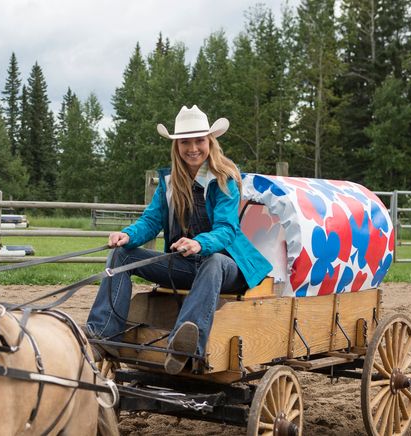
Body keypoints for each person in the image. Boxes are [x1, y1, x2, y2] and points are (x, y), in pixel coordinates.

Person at [85, 105, 272, 374]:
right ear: (177, 146)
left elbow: (226, 230)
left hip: (228, 267)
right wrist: (127, 235)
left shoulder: (224, 180)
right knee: (122, 254)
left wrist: (199, 243)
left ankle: (184, 347)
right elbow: (151, 221)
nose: (193, 148)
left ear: (210, 142)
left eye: (199, 140)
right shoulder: (170, 183)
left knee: (214, 261)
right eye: (185, 142)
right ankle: (103, 334)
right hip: (186, 267)